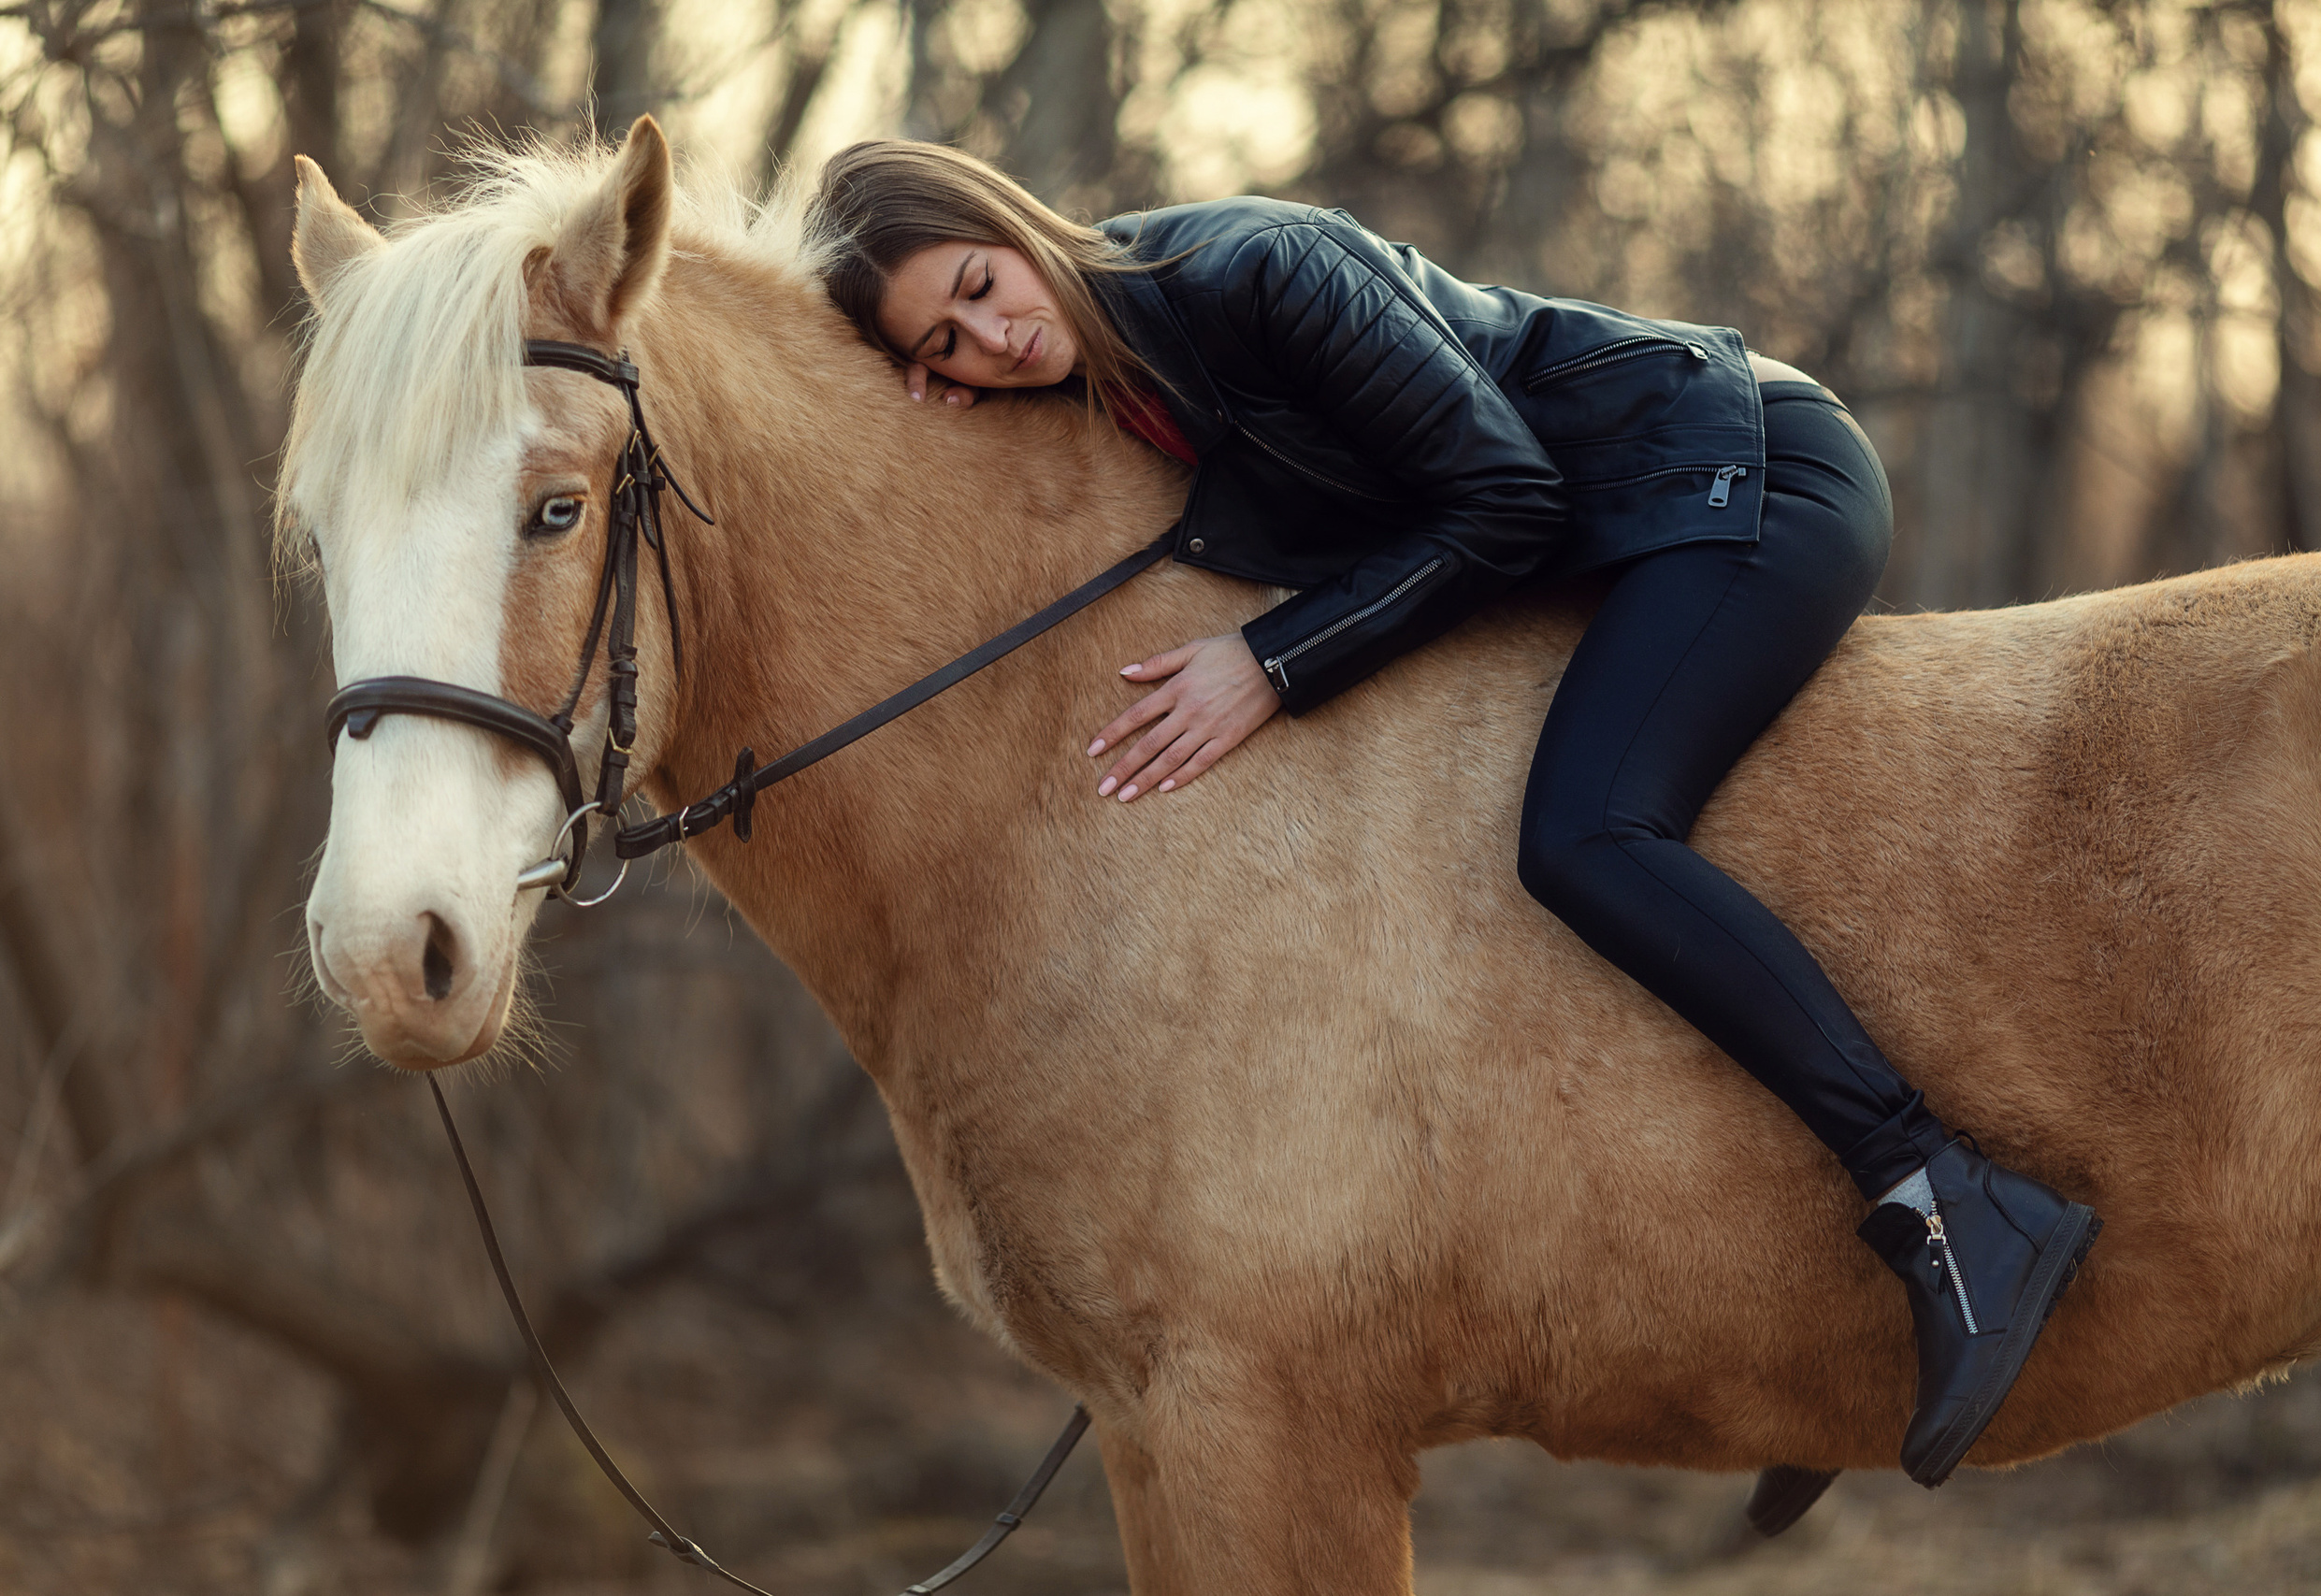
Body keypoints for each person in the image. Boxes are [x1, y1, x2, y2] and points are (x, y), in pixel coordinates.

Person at [808, 138, 2100, 1488]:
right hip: (1614, 540)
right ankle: (1810, 1294)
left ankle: (1954, 1201)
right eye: (944, 344)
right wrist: (934, 426)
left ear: (1015, 223)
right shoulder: (1107, 361)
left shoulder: (1255, 272)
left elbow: (1510, 494)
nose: (992, 339)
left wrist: (1273, 663)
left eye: (979, 284)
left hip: (1739, 478)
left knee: (1586, 837)